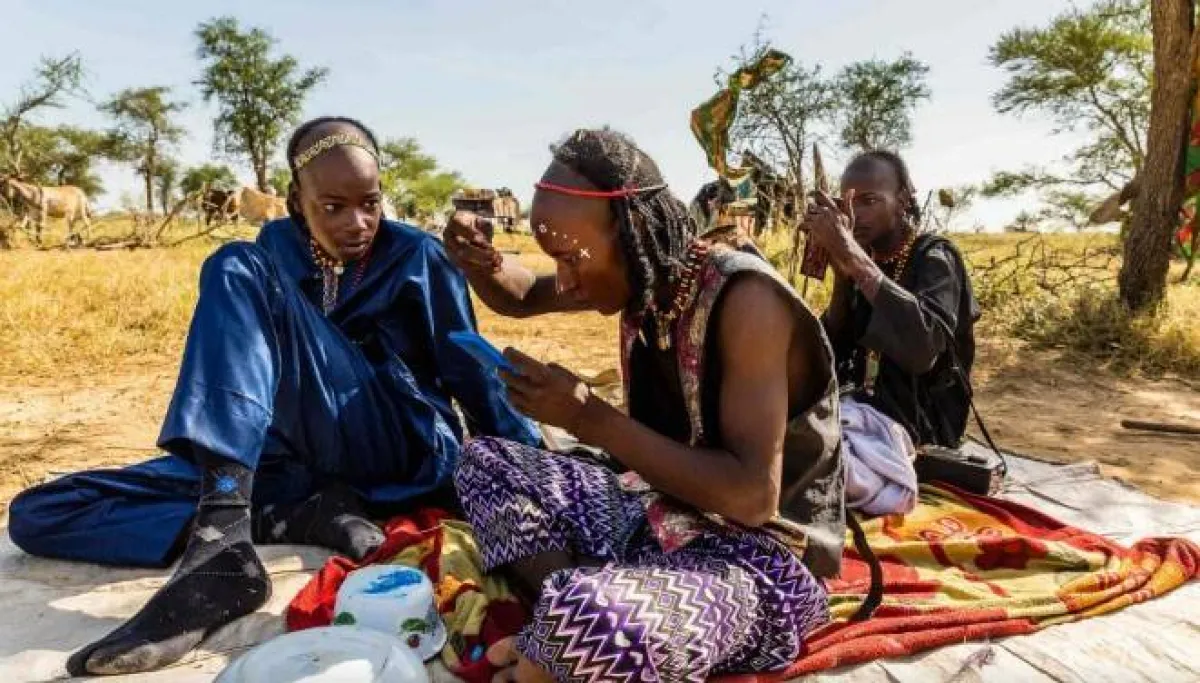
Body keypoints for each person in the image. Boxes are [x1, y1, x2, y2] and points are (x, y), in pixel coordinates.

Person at [7, 117, 539, 676]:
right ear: (295, 200)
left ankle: (220, 550)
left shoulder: (416, 256)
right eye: (333, 206)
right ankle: (279, 517)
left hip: (391, 445)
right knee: (41, 513)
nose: (357, 223)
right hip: (292, 459)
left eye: (370, 203)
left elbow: (469, 370)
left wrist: (530, 459)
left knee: (231, 263)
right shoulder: (275, 249)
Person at [444, 128, 842, 682]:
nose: (565, 280)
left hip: (755, 563)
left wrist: (587, 418)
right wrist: (479, 262)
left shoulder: (748, 301)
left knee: (593, 621)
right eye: (555, 260)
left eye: (572, 258)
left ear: (632, 234)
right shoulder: (640, 277)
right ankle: (586, 611)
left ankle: (582, 618)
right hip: (655, 515)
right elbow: (517, 294)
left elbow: (753, 499)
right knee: (483, 461)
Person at [807, 151, 981, 514]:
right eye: (849, 204)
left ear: (902, 201)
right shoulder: (866, 259)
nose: (857, 215)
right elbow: (832, 352)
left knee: (815, 459)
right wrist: (843, 275)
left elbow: (922, 350)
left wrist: (854, 258)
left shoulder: (935, 257)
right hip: (864, 406)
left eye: (870, 201)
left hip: (923, 420)